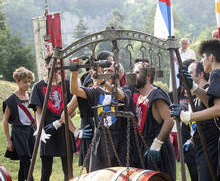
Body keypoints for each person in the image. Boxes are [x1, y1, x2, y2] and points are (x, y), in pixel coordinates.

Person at [171, 38, 220, 181]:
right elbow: (214, 103)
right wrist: (195, 89)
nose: (202, 62)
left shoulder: (217, 74)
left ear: (211, 57)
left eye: (203, 57)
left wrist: (188, 116)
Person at [113, 58, 176, 180]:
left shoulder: (156, 95)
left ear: (147, 76)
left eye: (137, 73)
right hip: (142, 148)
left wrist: (157, 145)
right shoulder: (138, 95)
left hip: (157, 151)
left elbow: (170, 120)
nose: (133, 75)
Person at [70, 58, 129, 172]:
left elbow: (120, 96)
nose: (106, 73)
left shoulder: (126, 90)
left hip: (120, 142)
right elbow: (75, 90)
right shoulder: (96, 92)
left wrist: (102, 81)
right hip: (100, 141)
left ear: (119, 75)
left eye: (110, 71)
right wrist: (74, 72)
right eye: (105, 70)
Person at [29, 53, 75, 181]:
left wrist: (61, 121)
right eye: (53, 63)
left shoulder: (67, 84)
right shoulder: (38, 87)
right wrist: (40, 130)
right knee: (46, 170)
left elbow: (73, 110)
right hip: (47, 130)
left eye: (59, 64)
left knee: (68, 170)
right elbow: (38, 112)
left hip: (65, 128)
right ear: (46, 65)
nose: (56, 67)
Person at [188, 61, 220, 181]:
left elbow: (212, 109)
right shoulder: (196, 97)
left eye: (190, 73)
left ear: (201, 74)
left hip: (211, 148)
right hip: (201, 147)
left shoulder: (209, 91)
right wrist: (191, 139)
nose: (188, 76)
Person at [3, 67, 35, 181]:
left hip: (31, 132)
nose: (27, 84)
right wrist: (8, 140)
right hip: (19, 133)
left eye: (29, 81)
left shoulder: (31, 96)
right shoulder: (11, 100)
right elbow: (5, 121)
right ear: (17, 81)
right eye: (24, 82)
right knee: (26, 160)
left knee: (26, 160)